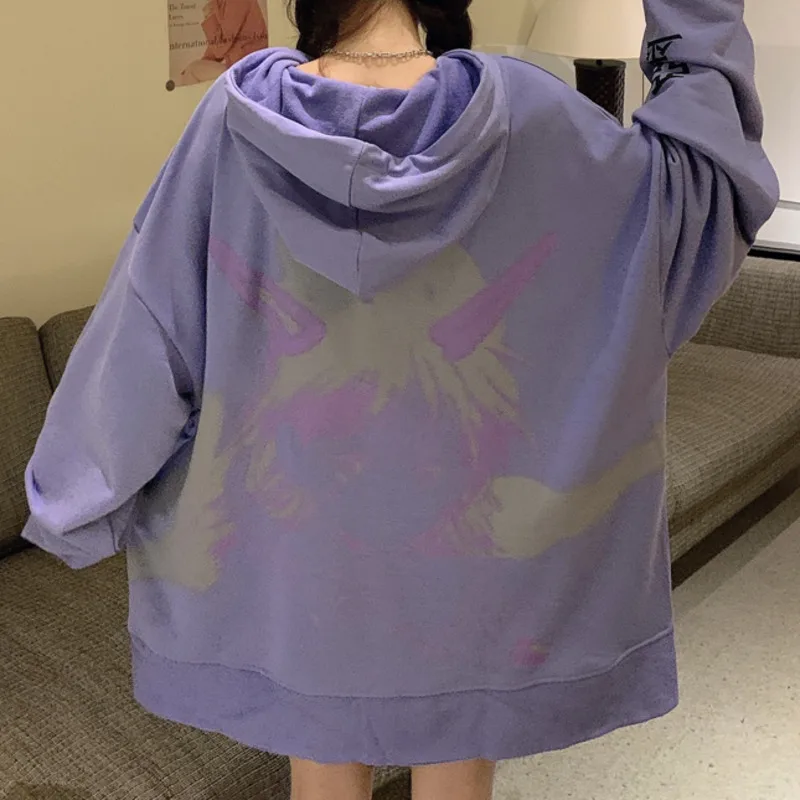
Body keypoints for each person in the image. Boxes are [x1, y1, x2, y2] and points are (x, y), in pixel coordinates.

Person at [22, 0, 778, 798]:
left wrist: (76, 493)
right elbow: (700, 193)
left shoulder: (236, 122)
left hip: (292, 575)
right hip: (469, 574)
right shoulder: (535, 117)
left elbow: (150, 329)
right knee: (458, 764)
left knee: (319, 767)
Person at [179, 0, 269, 86]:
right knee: (190, 71)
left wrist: (209, 16)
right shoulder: (220, 2)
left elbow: (220, 47)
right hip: (240, 66)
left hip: (251, 70)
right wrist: (202, 62)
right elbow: (216, 46)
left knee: (192, 71)